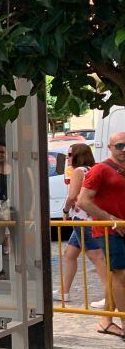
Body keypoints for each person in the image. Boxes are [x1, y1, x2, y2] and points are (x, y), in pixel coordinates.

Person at [77, 132, 125, 337]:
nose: (124, 150)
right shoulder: (100, 169)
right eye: (120, 146)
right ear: (110, 147)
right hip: (108, 230)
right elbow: (82, 201)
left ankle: (106, 320)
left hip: (119, 227)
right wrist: (111, 220)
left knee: (116, 276)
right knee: (121, 275)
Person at [55, 143, 108, 313]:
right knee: (70, 254)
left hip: (82, 218)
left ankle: (111, 295)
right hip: (86, 217)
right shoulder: (91, 169)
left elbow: (72, 196)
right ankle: (64, 291)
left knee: (96, 257)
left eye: (70, 154)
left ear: (78, 155)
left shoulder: (79, 171)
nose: (68, 158)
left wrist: (65, 210)